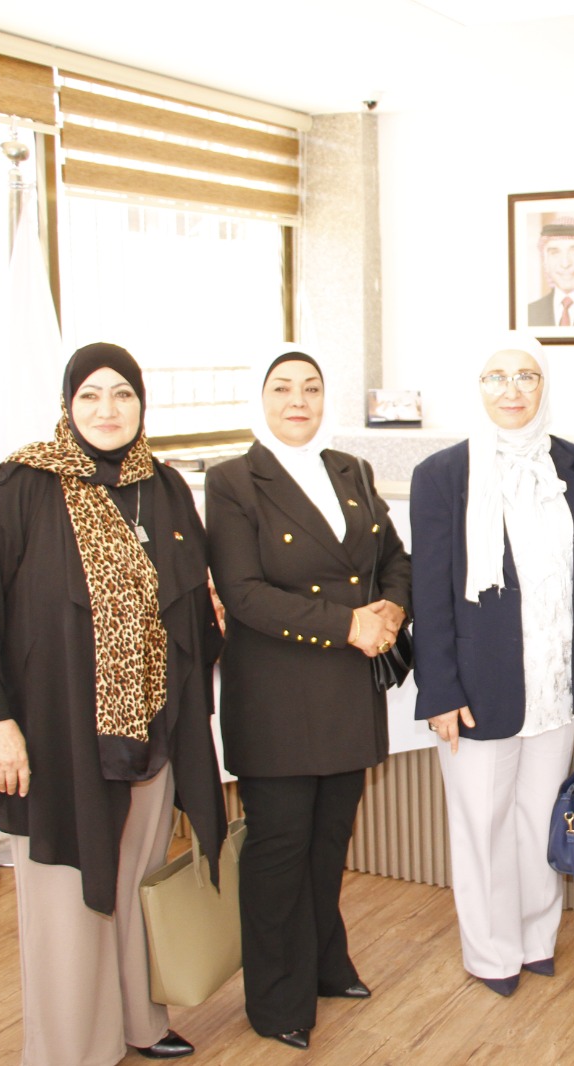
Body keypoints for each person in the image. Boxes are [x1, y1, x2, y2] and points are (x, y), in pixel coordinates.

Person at [0, 342, 226, 1065]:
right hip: (56, 737)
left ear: (142, 404)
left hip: (152, 731)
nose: (107, 409)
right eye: (91, 395)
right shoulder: (21, 487)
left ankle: (140, 1022)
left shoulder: (164, 485)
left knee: (136, 881)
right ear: (68, 404)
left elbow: (192, 604)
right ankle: (72, 1047)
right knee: (68, 898)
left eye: (123, 394)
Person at [205, 352, 409, 1050]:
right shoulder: (233, 480)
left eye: (312, 388)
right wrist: (349, 624)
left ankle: (325, 964)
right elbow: (243, 594)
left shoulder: (351, 470)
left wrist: (392, 607)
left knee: (328, 843)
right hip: (277, 698)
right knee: (279, 850)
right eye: (283, 388)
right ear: (259, 398)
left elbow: (394, 559)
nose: (298, 400)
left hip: (347, 692)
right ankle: (275, 999)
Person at [409, 332, 574, 997]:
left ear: (544, 385)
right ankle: (491, 952)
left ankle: (534, 938)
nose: (512, 390)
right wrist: (439, 690)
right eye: (496, 377)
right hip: (476, 687)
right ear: (478, 388)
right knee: (483, 825)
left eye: (526, 376)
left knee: (539, 818)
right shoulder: (442, 475)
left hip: (557, 681)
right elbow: (429, 594)